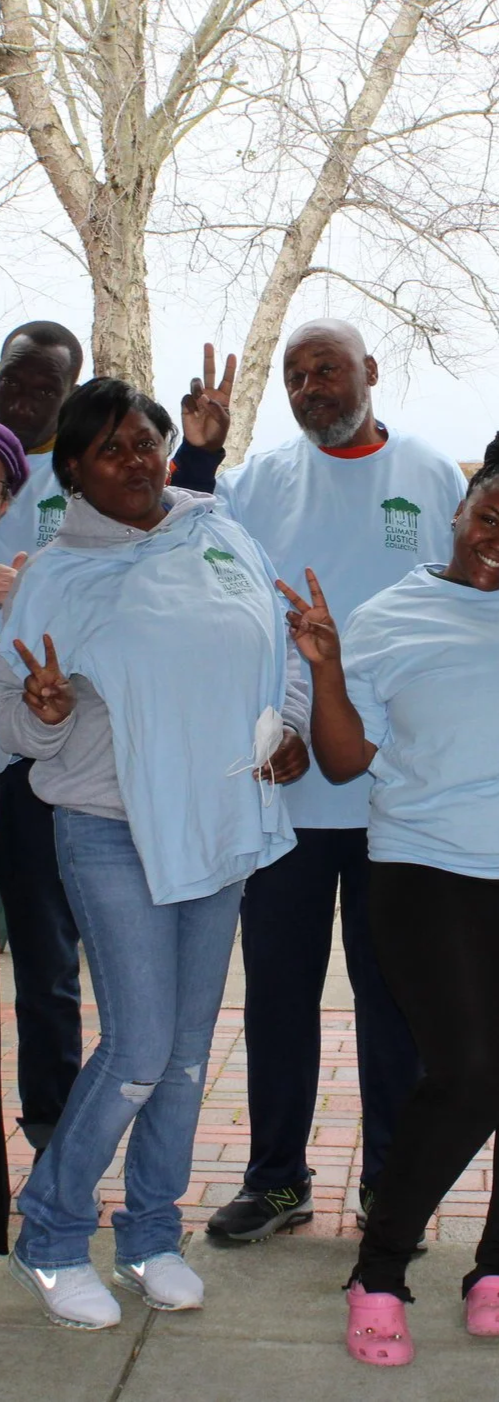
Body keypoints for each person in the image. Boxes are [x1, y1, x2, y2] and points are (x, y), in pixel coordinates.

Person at [276, 412, 499, 1366]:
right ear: (460, 508)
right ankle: (380, 1272)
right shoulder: (387, 617)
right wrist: (329, 668)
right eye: (488, 520)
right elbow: (345, 766)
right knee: (472, 1074)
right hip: (433, 867)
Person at [0, 378, 308, 1329]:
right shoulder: (54, 573)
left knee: (180, 1056)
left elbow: (282, 643)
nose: (136, 462)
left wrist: (288, 724)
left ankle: (148, 1235)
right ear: (75, 474)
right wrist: (42, 711)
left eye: (146, 442)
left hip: (219, 821)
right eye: (111, 451)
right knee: (134, 1047)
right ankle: (50, 1237)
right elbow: (18, 717)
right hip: (112, 828)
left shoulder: (217, 530)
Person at [170, 327, 467, 1243]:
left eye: (326, 369)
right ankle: (276, 1180)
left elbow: (462, 612)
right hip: (289, 790)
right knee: (281, 997)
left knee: (397, 1001)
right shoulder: (257, 482)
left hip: (398, 793)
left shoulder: (432, 476)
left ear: (371, 374)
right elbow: (198, 569)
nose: (310, 387)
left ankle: (391, 1184)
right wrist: (201, 452)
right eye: (296, 377)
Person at [0, 321, 87, 1163]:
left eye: (41, 390)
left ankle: (56, 1132)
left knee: (46, 957)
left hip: (38, 756)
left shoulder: (81, 476)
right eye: (11, 382)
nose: (22, 401)